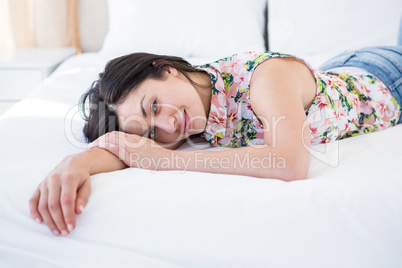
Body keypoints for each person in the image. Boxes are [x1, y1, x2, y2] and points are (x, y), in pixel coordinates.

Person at [29, 46, 402, 237]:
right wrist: (75, 165)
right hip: (333, 74)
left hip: (385, 72)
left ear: (166, 68)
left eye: (154, 104)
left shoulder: (263, 78)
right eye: (152, 132)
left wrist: (166, 160)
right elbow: (127, 150)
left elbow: (290, 164)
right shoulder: (185, 114)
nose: (169, 124)